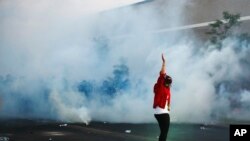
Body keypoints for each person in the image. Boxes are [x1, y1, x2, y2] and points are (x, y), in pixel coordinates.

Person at [153, 53, 172, 141]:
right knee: (164, 133)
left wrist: (168, 106)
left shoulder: (166, 88)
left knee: (163, 132)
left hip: (159, 113)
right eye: (168, 82)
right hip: (163, 113)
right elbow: (162, 75)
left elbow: (168, 98)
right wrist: (164, 63)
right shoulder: (161, 87)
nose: (169, 84)